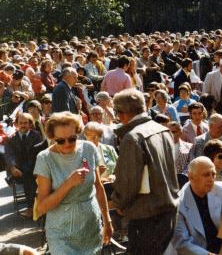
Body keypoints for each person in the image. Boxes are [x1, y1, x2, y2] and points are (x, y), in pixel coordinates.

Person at [111, 89, 179, 255]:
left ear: (121, 114)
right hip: (167, 212)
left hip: (146, 217)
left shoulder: (133, 137)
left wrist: (119, 202)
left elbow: (128, 182)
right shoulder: (162, 130)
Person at [34, 112, 112, 254]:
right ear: (52, 138)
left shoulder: (89, 149)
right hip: (60, 233)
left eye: (72, 139)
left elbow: (99, 187)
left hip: (90, 227)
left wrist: (107, 221)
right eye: (61, 141)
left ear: (78, 133)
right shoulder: (44, 159)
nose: (67, 144)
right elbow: (42, 207)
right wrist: (68, 183)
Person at [173, 156, 222, 254]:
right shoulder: (179, 203)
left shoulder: (219, 189)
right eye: (206, 175)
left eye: (213, 174)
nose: (211, 179)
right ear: (191, 177)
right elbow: (182, 243)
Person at [5, 113, 42, 217]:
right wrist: (12, 167)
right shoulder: (11, 138)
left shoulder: (36, 136)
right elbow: (9, 155)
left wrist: (39, 168)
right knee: (27, 175)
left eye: (25, 123)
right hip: (18, 171)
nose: (23, 125)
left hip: (35, 168)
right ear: (16, 124)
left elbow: (40, 153)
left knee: (29, 174)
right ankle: (32, 207)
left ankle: (32, 207)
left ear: (30, 124)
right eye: (20, 123)